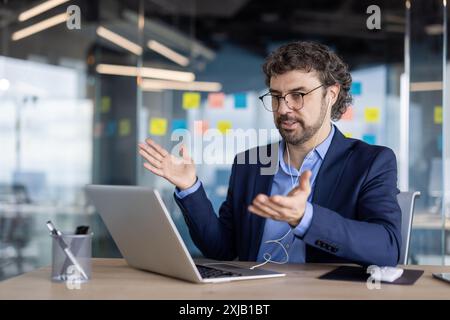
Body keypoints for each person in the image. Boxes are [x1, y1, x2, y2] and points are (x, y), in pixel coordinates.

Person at [138, 41, 401, 267]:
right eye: (276, 96)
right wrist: (190, 187)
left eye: (298, 95)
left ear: (331, 95)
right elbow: (223, 250)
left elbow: (388, 247)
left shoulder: (371, 162)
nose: (283, 108)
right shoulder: (249, 163)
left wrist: (306, 218)